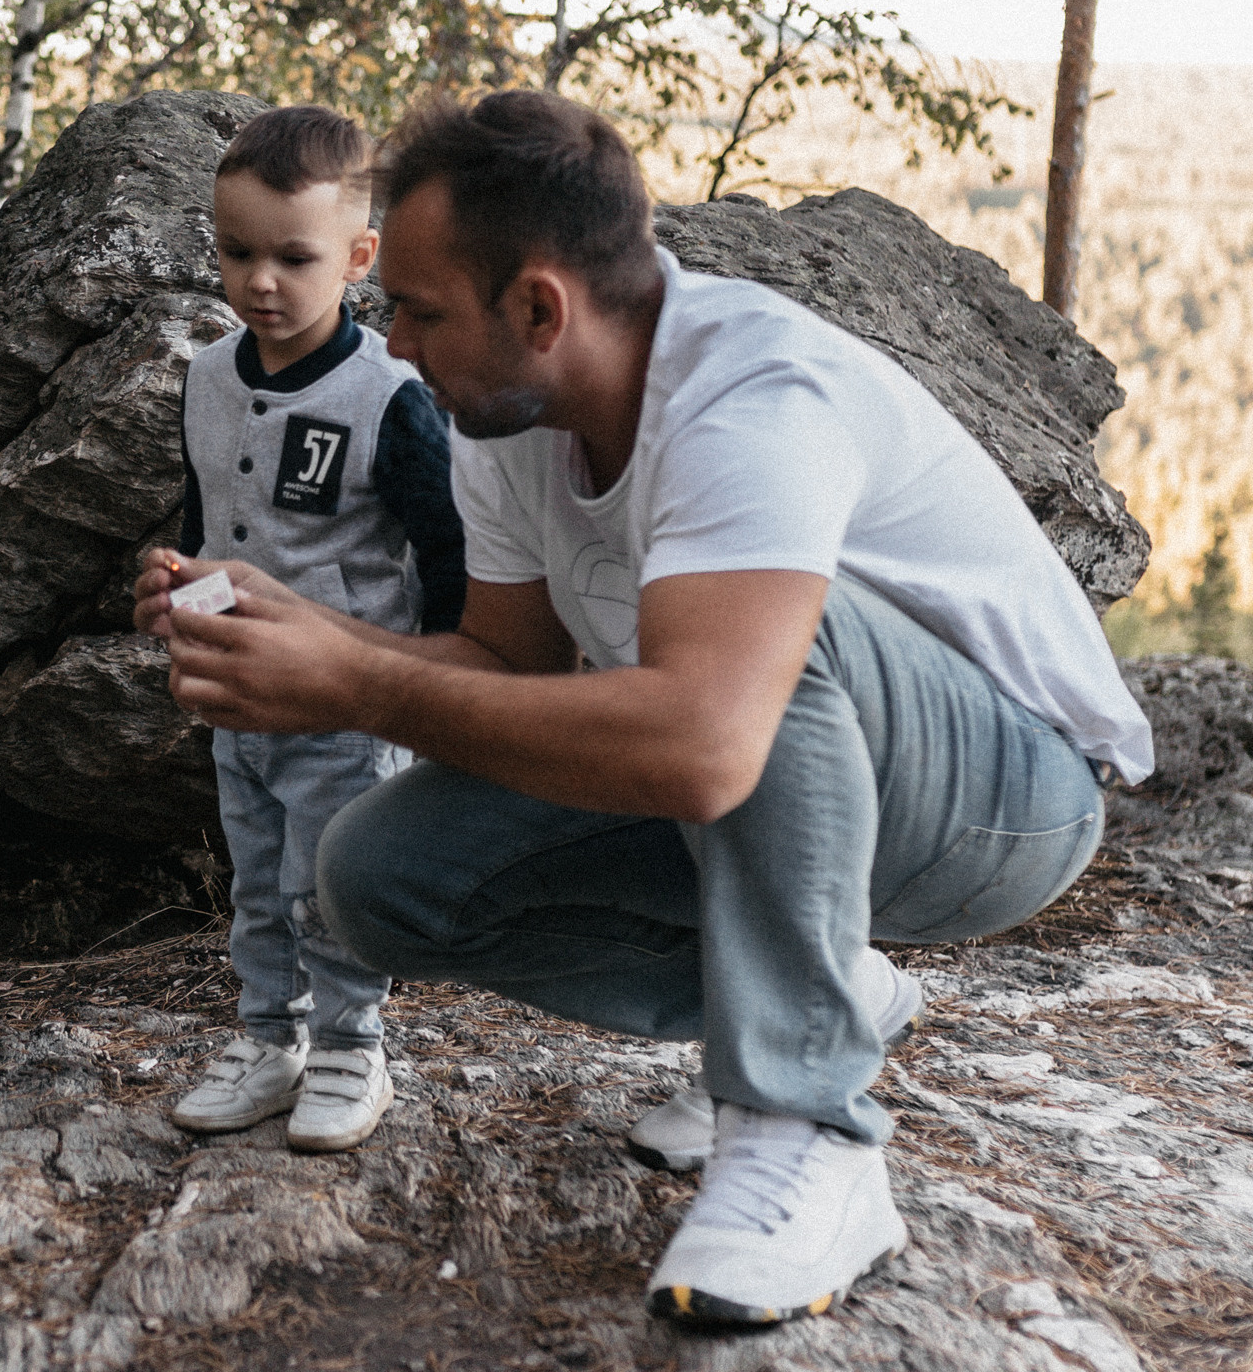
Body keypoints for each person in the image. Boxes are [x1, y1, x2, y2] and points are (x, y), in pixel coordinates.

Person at [135, 90, 1151, 1324]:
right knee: (383, 875)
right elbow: (503, 671)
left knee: (766, 643)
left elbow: (711, 741)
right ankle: (820, 985)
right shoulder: (505, 410)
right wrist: (300, 630)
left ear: (540, 307)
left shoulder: (749, 394)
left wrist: (355, 679)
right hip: (784, 785)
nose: (391, 342)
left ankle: (807, 1126)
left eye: (417, 309)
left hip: (1002, 801)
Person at [162, 105, 469, 1154]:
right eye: (237, 251)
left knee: (325, 881)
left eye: (295, 257)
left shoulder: (390, 395)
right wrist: (183, 611)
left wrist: (433, 686)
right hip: (240, 700)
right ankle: (267, 1038)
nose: (260, 282)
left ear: (360, 254)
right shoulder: (207, 379)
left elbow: (448, 554)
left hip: (344, 700)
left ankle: (350, 1044)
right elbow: (209, 524)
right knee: (254, 878)